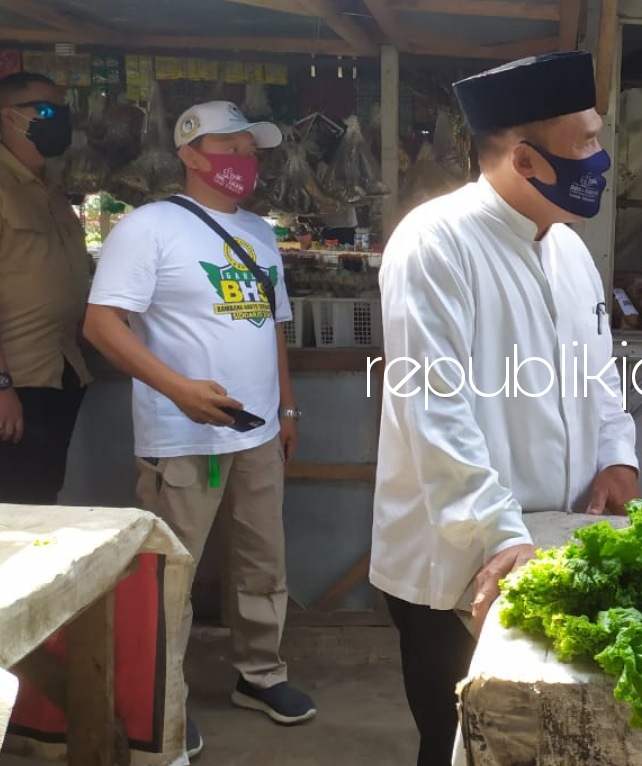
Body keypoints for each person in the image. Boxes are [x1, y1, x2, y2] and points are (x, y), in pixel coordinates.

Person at [370, 51, 640, 766]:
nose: (600, 157)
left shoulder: (569, 250)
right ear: (525, 159)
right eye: (583, 143)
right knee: (461, 739)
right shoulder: (435, 243)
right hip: (458, 557)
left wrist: (617, 453)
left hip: (551, 539)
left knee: (546, 742)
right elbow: (435, 409)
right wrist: (498, 535)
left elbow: (598, 374)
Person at [83, 100, 316, 759]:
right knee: (169, 578)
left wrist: (287, 410)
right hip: (183, 439)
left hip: (258, 435)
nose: (244, 159)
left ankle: (260, 674)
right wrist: (177, 390)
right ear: (190, 154)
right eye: (230, 146)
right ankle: (161, 704)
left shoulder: (262, 234)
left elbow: (272, 329)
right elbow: (102, 326)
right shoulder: (149, 227)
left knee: (262, 563)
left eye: (251, 148)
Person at [0, 71, 91, 504]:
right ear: (9, 117)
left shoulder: (51, 191)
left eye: (63, 111)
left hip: (59, 371)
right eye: (47, 111)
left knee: (39, 498)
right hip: (16, 378)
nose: (60, 120)